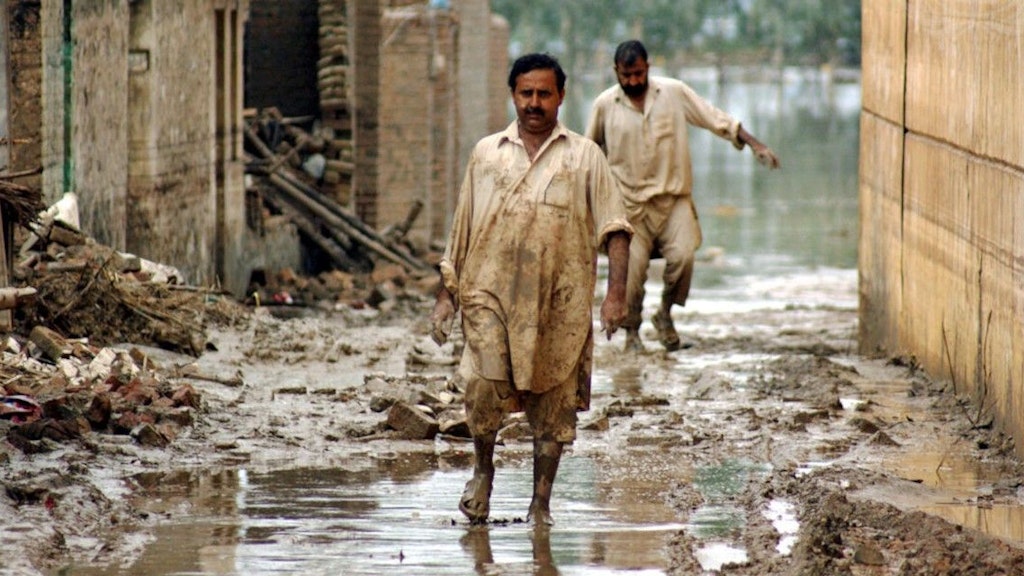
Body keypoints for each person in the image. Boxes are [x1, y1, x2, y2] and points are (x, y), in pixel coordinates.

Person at [430, 53, 633, 526]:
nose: (535, 103)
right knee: (483, 387)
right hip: (489, 297)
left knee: (554, 405)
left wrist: (615, 295)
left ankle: (541, 504)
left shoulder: (585, 157)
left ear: (561, 96)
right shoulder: (486, 153)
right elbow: (460, 231)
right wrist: (446, 296)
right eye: (527, 94)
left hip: (558, 302)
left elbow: (616, 229)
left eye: (545, 94)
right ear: (513, 95)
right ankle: (483, 472)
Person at [585, 40, 780, 353]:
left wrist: (756, 144)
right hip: (629, 207)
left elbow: (715, 118)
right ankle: (632, 331)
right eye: (626, 75)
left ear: (648, 68)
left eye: (638, 73)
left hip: (673, 199)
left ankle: (665, 313)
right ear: (616, 73)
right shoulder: (605, 105)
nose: (633, 81)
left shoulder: (673, 93)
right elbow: (589, 153)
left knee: (684, 257)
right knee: (630, 274)